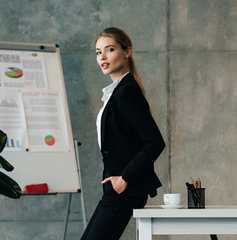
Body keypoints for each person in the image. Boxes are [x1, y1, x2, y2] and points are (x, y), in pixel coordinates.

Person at [80, 27, 165, 240]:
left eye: (109, 49)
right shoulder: (116, 92)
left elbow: (154, 142)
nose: (103, 57)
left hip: (125, 189)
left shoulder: (126, 92)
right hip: (115, 189)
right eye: (98, 52)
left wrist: (124, 178)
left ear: (127, 52)